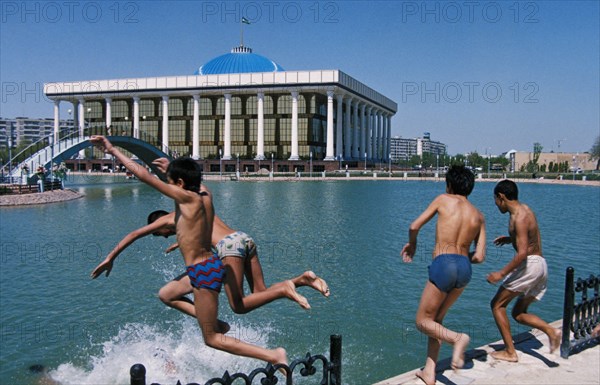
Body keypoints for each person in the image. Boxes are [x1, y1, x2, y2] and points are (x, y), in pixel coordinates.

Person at [89, 135, 287, 366]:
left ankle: (273, 355)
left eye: (170, 182)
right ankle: (215, 321)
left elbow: (143, 175)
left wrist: (113, 150)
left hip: (203, 270)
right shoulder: (205, 195)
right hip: (210, 265)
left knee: (212, 339)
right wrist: (171, 168)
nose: (168, 185)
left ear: (180, 184)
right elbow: (194, 180)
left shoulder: (185, 198)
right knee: (166, 294)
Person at [90, 209, 330, 318]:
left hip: (229, 248)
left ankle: (285, 290)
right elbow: (204, 234)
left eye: (162, 234)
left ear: (161, 223)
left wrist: (111, 257)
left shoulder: (166, 219)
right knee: (260, 293)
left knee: (239, 306)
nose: (164, 236)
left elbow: (134, 234)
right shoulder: (194, 211)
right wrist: (180, 244)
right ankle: (302, 279)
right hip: (245, 239)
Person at [401, 165, 486, 385]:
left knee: (422, 321)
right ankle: (430, 371)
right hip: (465, 268)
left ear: (449, 185)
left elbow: (414, 226)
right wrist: (462, 256)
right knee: (436, 320)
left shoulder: (443, 199)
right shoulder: (478, 215)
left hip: (443, 264)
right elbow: (480, 257)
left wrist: (413, 245)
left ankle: (458, 339)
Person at [487, 179, 561, 362]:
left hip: (530, 265)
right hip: (541, 265)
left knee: (497, 305)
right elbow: (528, 238)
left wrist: (501, 273)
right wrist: (509, 238)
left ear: (501, 197)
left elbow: (522, 254)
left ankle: (511, 352)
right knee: (518, 313)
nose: (495, 204)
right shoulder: (525, 210)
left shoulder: (517, 217)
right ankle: (551, 331)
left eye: (495, 200)